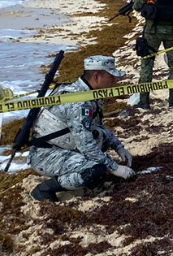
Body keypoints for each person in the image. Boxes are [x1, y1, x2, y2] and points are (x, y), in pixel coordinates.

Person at [27, 54, 136, 202]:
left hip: (64, 145)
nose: (114, 81)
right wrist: (115, 168)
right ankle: (44, 189)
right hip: (46, 154)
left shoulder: (90, 94)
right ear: (97, 76)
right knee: (94, 171)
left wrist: (119, 147)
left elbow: (98, 126)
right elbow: (86, 146)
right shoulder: (78, 102)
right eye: (111, 77)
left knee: (100, 143)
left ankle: (77, 173)